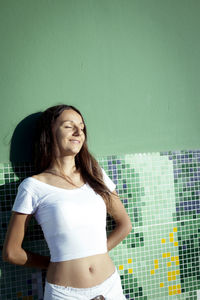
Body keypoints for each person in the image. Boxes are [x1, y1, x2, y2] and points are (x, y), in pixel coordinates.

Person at [2, 104, 132, 300]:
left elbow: (125, 224)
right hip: (65, 294)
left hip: (110, 287)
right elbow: (12, 252)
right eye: (69, 126)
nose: (79, 131)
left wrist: (94, 252)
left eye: (82, 126)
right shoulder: (33, 187)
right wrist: (56, 262)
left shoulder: (95, 174)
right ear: (49, 132)